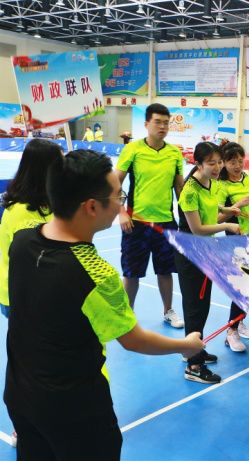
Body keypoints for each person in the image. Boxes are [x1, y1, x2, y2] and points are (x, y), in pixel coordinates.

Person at [4, 150, 204, 460]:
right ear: (92, 206)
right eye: (118, 197)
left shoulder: (22, 240)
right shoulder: (95, 273)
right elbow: (134, 340)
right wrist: (186, 346)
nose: (121, 205)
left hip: (20, 394)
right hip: (75, 407)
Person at [116, 103, 185, 329]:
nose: (162, 126)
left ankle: (168, 310)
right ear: (146, 124)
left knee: (166, 270)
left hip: (165, 223)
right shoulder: (132, 150)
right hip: (136, 223)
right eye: (157, 122)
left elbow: (180, 189)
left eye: (166, 123)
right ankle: (128, 315)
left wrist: (190, 218)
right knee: (131, 273)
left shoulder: (174, 153)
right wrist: (121, 212)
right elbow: (114, 183)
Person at [176, 142, 240, 384]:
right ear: (198, 164)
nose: (217, 167)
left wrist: (229, 209)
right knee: (194, 307)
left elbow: (212, 207)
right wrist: (227, 224)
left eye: (219, 162)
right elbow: (198, 229)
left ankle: (194, 349)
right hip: (190, 253)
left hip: (205, 253)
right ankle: (193, 365)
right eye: (211, 163)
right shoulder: (189, 191)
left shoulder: (211, 184)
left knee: (202, 305)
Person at [0, 139, 62, 318]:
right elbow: (39, 259)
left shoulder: (46, 203)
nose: (64, 171)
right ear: (46, 170)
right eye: (60, 165)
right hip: (23, 296)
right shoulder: (22, 211)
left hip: (36, 293)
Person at [217, 142, 249, 352]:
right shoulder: (222, 186)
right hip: (237, 241)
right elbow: (216, 218)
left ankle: (239, 322)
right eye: (232, 162)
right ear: (224, 163)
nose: (237, 166)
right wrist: (236, 206)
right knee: (241, 286)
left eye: (240, 161)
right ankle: (231, 332)